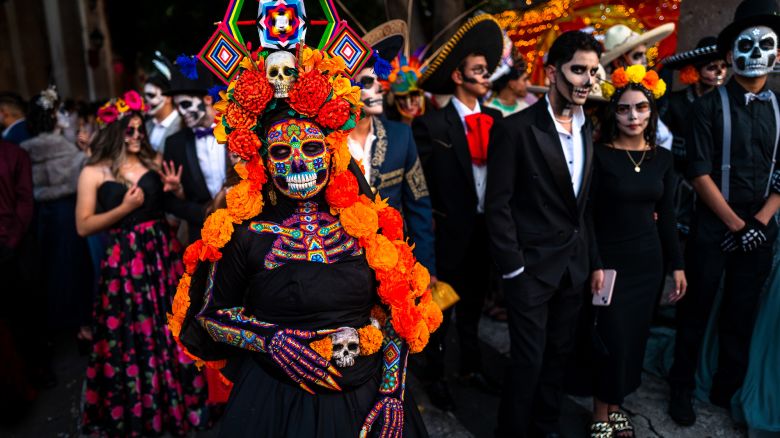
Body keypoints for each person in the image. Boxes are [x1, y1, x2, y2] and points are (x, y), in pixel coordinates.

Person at [170, 43, 441, 437]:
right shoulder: (244, 233)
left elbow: (399, 309)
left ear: (332, 155)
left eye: (311, 148)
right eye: (281, 152)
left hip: (367, 398)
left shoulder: (362, 225)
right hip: (276, 401)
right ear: (263, 160)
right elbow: (209, 315)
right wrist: (270, 341)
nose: (298, 163)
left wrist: (391, 392)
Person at [668, 0, 780, 426]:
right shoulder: (706, 107)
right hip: (713, 224)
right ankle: (681, 387)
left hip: (760, 225)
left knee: (741, 311)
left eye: (765, 44)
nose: (754, 53)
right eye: (744, 46)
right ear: (730, 56)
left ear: (778, 54)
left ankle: (727, 388)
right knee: (695, 308)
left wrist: (759, 223)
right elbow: (697, 172)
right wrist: (735, 224)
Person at [485, 30, 601, 437]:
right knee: (528, 360)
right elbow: (497, 206)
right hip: (530, 269)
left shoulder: (589, 127)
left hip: (573, 266)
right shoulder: (515, 129)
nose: (587, 80)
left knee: (559, 355)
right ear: (552, 73)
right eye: (578, 70)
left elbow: (581, 209)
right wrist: (513, 270)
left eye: (593, 71)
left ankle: (546, 425)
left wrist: (594, 264)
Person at [75, 92, 208, 436]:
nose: (136, 136)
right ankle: (142, 406)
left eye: (139, 130)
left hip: (160, 254)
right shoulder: (93, 171)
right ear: (114, 133)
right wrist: (123, 208)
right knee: (131, 331)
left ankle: (180, 400)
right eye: (129, 131)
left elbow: (169, 204)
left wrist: (175, 192)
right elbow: (83, 225)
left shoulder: (153, 161)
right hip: (124, 261)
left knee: (170, 324)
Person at [582, 65, 686, 437]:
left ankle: (616, 405)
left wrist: (677, 266)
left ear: (651, 112)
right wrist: (594, 262)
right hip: (610, 262)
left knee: (635, 337)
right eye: (625, 109)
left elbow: (669, 216)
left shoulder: (663, 158)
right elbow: (587, 217)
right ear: (614, 113)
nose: (633, 116)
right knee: (610, 337)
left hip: (649, 262)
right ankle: (599, 411)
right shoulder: (599, 155)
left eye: (641, 108)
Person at [413, 14, 504, 411]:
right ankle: (434, 374)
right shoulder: (431, 125)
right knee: (440, 311)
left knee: (472, 307)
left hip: (487, 232)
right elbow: (419, 190)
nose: (487, 76)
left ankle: (470, 366)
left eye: (487, 70)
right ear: (457, 77)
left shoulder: (499, 120)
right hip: (448, 235)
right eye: (479, 71)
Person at [352, 20, 436, 277]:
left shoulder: (401, 136)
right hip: (343, 266)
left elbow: (419, 206)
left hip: (394, 265)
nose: (377, 88)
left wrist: (425, 269)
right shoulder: (325, 143)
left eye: (378, 81)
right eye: (367, 82)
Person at [19, 86, 92, 349]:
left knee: (48, 268)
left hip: (40, 216)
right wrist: (86, 154)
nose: (64, 116)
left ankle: (57, 326)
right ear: (51, 116)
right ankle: (83, 325)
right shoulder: (67, 149)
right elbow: (84, 176)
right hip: (67, 212)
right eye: (60, 111)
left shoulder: (24, 150)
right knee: (76, 266)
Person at [659, 37, 728, 237]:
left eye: (723, 66)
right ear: (695, 71)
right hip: (677, 177)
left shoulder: (724, 104)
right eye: (712, 67)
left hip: (713, 176)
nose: (719, 72)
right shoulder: (675, 102)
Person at [163, 56, 226, 244]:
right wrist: (204, 212)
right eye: (177, 106)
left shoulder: (237, 132)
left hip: (245, 232)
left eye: (185, 104)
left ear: (207, 99)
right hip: (201, 236)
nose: (180, 112)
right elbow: (168, 201)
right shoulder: (175, 144)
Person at [601, 23, 676, 151]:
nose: (644, 61)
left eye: (644, 55)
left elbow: (664, 137)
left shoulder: (645, 92)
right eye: (637, 56)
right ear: (619, 62)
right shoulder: (600, 96)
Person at [144, 52, 182, 153]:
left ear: (168, 98)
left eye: (151, 95)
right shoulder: (146, 126)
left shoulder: (183, 125)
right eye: (145, 96)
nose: (147, 101)